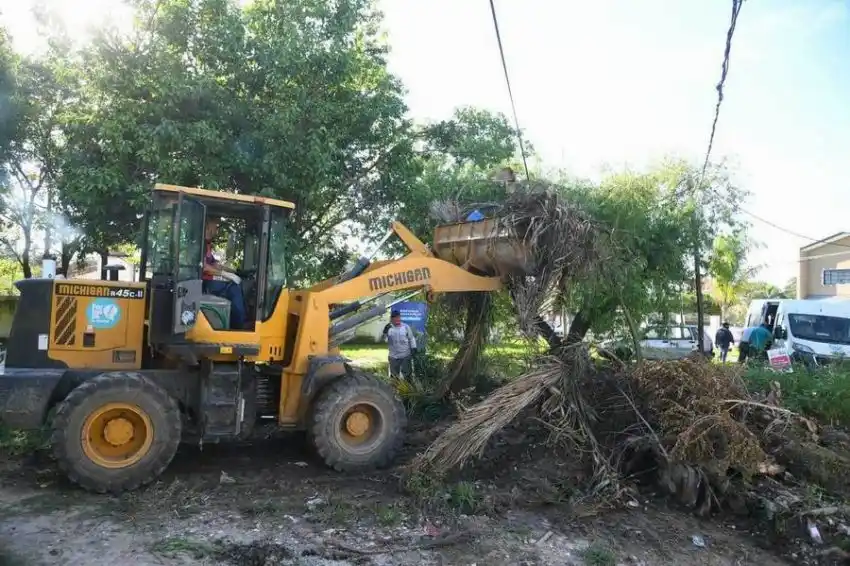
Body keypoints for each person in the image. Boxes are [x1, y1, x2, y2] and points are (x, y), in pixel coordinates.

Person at [203, 217, 248, 329]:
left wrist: (235, 272)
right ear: (208, 225)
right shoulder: (201, 243)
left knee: (235, 286)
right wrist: (226, 275)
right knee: (234, 288)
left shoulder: (207, 244)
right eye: (216, 226)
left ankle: (237, 321)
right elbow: (204, 267)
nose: (217, 231)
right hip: (202, 284)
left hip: (207, 282)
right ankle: (239, 326)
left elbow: (214, 264)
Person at [382, 310, 417, 378]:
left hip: (405, 355)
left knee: (407, 375)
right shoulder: (389, 328)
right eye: (395, 318)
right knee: (394, 376)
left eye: (398, 317)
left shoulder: (406, 327)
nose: (397, 319)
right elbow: (385, 340)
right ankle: (394, 387)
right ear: (391, 319)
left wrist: (414, 348)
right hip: (393, 356)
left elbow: (411, 338)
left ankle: (408, 387)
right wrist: (385, 333)